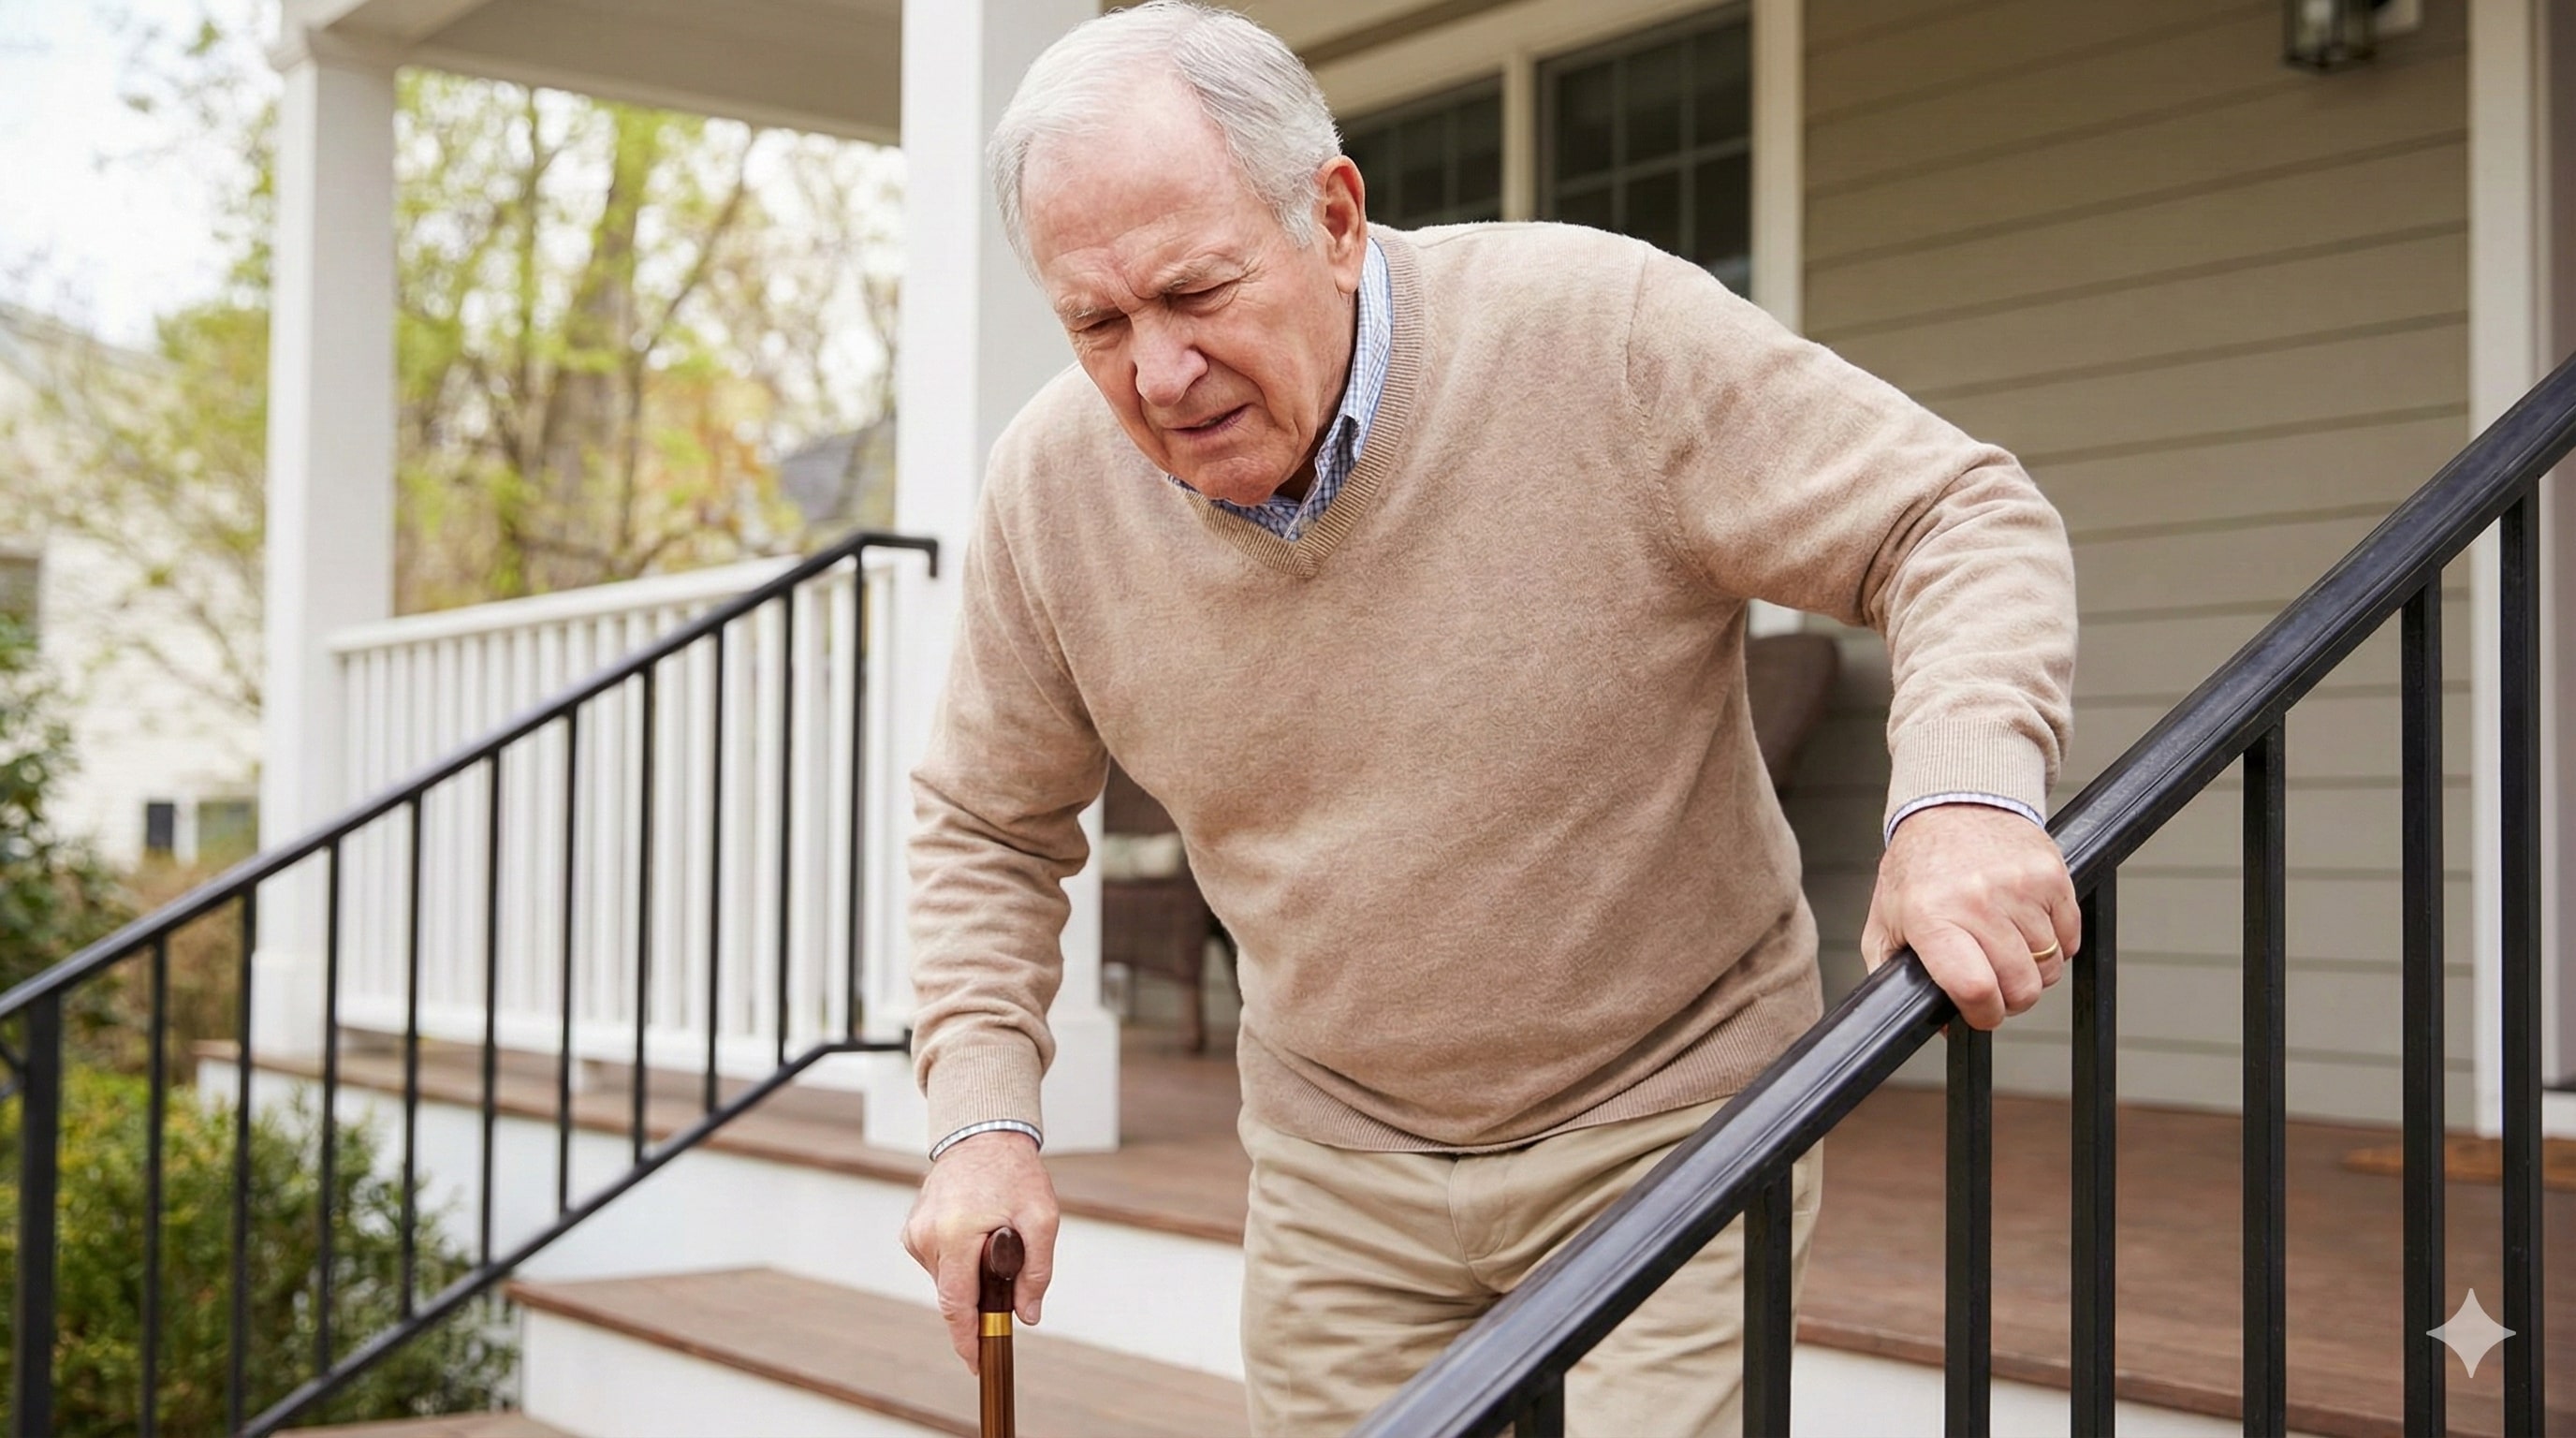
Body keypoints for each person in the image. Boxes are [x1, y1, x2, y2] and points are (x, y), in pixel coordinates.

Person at [899, 5, 2079, 1433]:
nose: (1156, 373)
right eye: (1098, 322)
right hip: (1339, 1159)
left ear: (1333, 218)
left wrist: (1962, 794)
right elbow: (987, 823)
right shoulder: (1052, 491)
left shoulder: (1598, 333)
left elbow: (1955, 517)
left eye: (1197, 291)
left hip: (1672, 1117)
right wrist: (982, 1120)